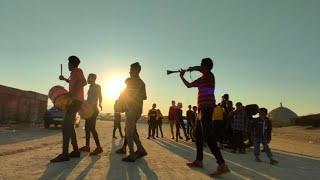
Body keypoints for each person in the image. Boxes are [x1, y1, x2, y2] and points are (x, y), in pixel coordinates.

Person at [179, 58, 230, 177]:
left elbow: (199, 69)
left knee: (208, 136)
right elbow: (189, 85)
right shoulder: (202, 79)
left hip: (207, 108)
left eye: (202, 64)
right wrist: (181, 76)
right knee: (198, 135)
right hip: (201, 109)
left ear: (206, 66)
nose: (200, 66)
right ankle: (199, 160)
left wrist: (192, 68)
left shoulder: (209, 75)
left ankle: (222, 165)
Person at [51, 56, 87, 162]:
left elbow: (83, 82)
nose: (67, 65)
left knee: (65, 126)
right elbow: (75, 83)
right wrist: (65, 79)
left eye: (68, 63)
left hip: (75, 101)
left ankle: (65, 154)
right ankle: (75, 150)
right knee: (69, 125)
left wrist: (72, 93)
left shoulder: (78, 70)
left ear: (72, 64)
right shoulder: (74, 73)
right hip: (74, 101)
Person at [116, 62, 147, 162]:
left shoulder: (132, 81)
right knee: (131, 130)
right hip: (138, 110)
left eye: (131, 70)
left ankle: (132, 154)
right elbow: (144, 97)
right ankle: (141, 149)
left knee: (128, 132)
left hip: (131, 109)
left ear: (136, 71)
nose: (129, 72)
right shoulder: (141, 83)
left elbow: (128, 94)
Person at [78, 74, 103, 155]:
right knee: (87, 128)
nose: (88, 79)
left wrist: (99, 104)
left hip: (93, 110)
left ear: (93, 79)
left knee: (92, 128)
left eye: (89, 78)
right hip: (89, 110)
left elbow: (99, 96)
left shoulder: (96, 86)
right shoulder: (90, 87)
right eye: (88, 77)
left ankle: (99, 147)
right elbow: (90, 98)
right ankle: (87, 146)